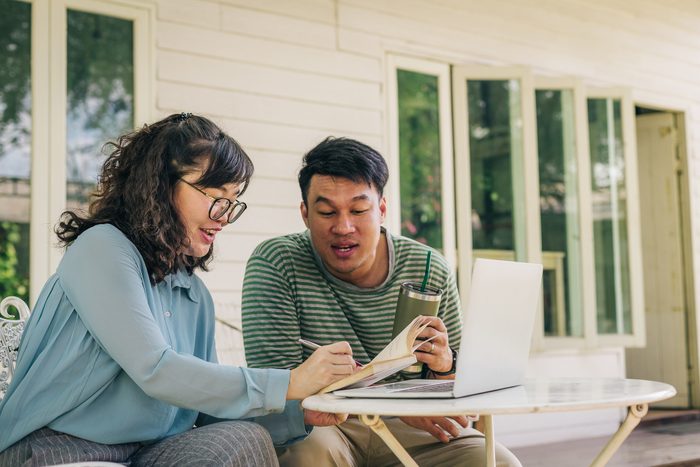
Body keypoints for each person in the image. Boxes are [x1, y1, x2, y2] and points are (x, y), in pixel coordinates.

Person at [0, 114, 356, 467]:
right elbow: (156, 369)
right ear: (159, 185)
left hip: (147, 450)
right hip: (59, 446)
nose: (224, 216)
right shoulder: (102, 248)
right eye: (216, 196)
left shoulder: (193, 293)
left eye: (232, 202)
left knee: (243, 439)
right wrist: (290, 382)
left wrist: (300, 413)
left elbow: (205, 412)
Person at [242, 137, 522, 466]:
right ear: (305, 214)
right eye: (327, 211)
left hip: (412, 428)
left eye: (359, 210)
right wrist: (392, 406)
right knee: (310, 458)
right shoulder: (277, 262)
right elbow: (279, 393)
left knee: (498, 462)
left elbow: (461, 393)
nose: (343, 227)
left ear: (382, 210)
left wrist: (446, 364)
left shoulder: (429, 267)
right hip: (323, 425)